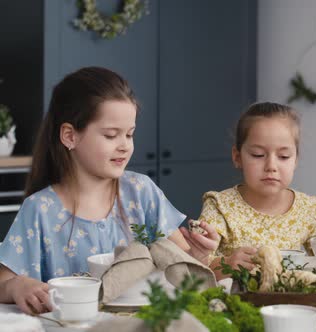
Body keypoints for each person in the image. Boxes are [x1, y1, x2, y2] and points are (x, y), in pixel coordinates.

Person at [0, 67, 219, 315]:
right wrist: (17, 285)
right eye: (111, 135)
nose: (125, 146)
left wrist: (199, 256)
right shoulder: (39, 210)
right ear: (70, 136)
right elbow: (3, 283)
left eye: (130, 134)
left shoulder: (142, 192)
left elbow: (181, 265)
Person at [198, 102, 316, 278]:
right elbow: (197, 266)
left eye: (283, 156)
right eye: (258, 155)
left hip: (289, 302)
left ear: (295, 160)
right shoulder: (221, 207)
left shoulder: (308, 209)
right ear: (237, 157)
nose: (271, 166)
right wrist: (226, 264)